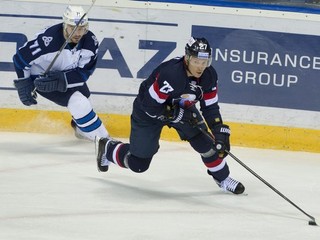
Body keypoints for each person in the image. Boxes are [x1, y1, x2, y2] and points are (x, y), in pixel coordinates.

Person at [95, 37, 245, 194]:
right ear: (187, 58)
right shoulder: (171, 74)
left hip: (181, 109)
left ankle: (223, 178)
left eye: (204, 62)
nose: (200, 67)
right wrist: (175, 114)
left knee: (207, 145)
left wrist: (217, 129)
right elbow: (149, 105)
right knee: (138, 164)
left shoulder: (209, 76)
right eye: (196, 61)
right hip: (147, 113)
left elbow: (210, 107)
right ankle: (108, 148)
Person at [12, 5, 109, 141]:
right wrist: (24, 82)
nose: (78, 33)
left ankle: (81, 130)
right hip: (42, 77)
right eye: (73, 28)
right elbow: (20, 59)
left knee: (86, 98)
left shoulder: (90, 42)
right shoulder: (47, 41)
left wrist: (62, 80)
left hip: (67, 73)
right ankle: (105, 141)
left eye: (82, 28)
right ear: (65, 25)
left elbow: (84, 73)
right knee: (79, 102)